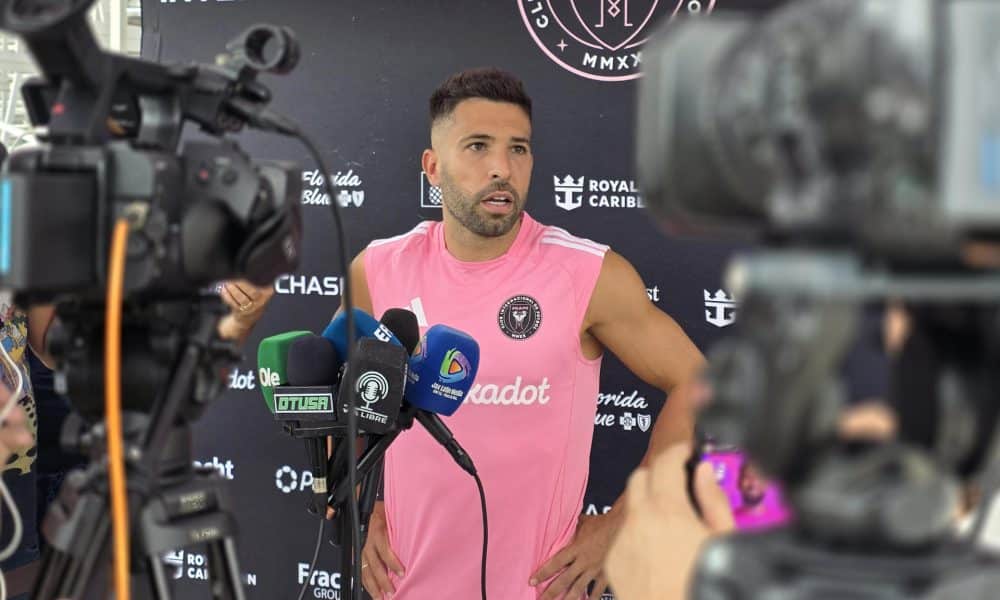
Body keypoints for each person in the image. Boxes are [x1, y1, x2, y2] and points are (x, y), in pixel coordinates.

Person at [342, 67, 706, 600]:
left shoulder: (588, 274)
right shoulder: (377, 269)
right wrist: (359, 502)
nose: (502, 168)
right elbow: (339, 391)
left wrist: (626, 519)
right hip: (405, 585)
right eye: (478, 146)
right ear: (433, 167)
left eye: (518, 149)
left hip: (538, 589)